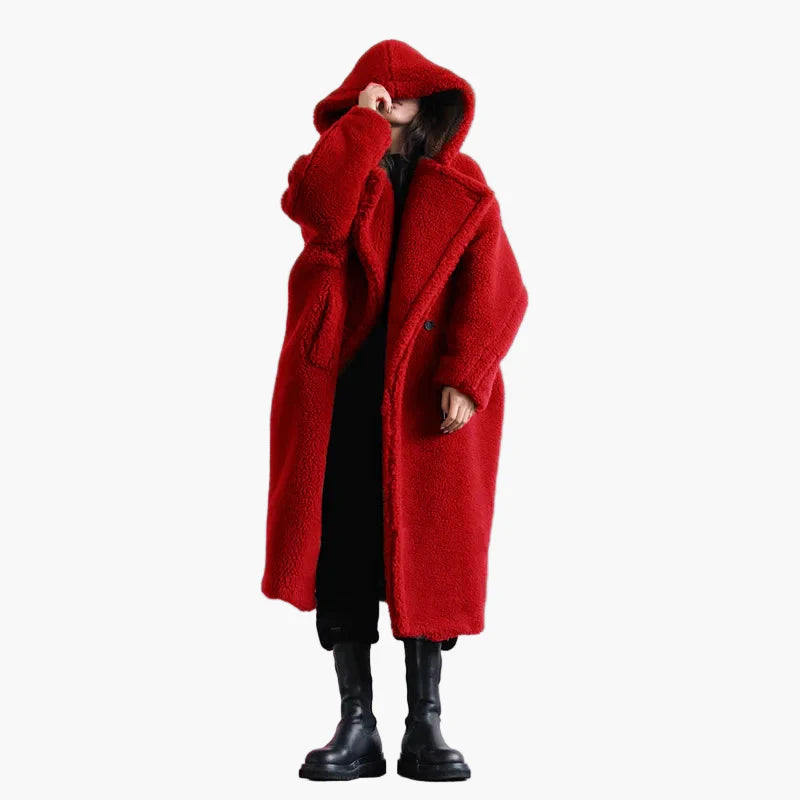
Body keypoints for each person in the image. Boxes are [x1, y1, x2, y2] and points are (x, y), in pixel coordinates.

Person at [262, 40, 529, 782]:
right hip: (341, 386)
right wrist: (360, 128)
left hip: (424, 399)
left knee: (427, 552)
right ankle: (357, 725)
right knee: (343, 542)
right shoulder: (336, 167)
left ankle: (425, 724)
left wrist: (466, 375)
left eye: (405, 89)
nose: (391, 94)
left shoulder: (466, 184)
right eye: (377, 89)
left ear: (432, 100)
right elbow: (320, 213)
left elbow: (499, 289)